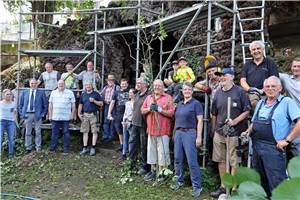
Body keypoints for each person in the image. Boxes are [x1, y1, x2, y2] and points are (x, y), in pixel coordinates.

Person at [244, 76, 300, 197]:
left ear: (280, 88)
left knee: (277, 183)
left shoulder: (287, 102)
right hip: (257, 148)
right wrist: (248, 131)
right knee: (260, 181)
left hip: (275, 149)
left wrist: (287, 140)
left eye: (273, 86)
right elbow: (254, 122)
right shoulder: (260, 103)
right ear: (263, 89)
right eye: (267, 86)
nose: (270, 89)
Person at [210, 68, 251, 198]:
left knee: (234, 161)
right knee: (220, 160)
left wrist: (234, 121)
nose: (221, 78)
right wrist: (214, 129)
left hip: (234, 132)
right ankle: (223, 186)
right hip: (220, 132)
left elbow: (247, 111)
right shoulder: (217, 93)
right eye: (220, 76)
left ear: (232, 77)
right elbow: (214, 114)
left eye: (224, 75)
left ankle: (233, 188)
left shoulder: (239, 92)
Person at [171, 83, 203, 198]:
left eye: (189, 89)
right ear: (182, 91)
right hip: (179, 133)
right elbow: (176, 120)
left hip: (190, 133)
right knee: (177, 159)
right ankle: (179, 181)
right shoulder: (179, 104)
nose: (187, 91)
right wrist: (174, 134)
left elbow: (200, 121)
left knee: (191, 161)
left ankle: (197, 186)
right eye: (185, 89)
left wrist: (199, 137)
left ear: (192, 91)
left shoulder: (196, 104)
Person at [141, 79, 175, 182]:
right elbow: (142, 110)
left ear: (163, 87)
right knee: (151, 151)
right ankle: (153, 171)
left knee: (162, 153)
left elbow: (172, 113)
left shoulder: (168, 98)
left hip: (163, 130)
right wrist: (149, 109)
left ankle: (162, 173)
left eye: (159, 86)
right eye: (155, 85)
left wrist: (160, 110)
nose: (157, 87)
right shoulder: (149, 97)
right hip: (151, 130)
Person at [240, 40, 279, 109]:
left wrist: (264, 90)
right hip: (251, 93)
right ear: (251, 52)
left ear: (263, 49)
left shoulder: (270, 63)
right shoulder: (247, 65)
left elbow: (274, 79)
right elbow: (242, 80)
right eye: (253, 49)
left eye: (258, 48)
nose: (256, 51)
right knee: (252, 101)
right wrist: (250, 89)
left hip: (267, 92)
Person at [129, 77, 151, 174]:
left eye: (139, 83)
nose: (137, 84)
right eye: (137, 82)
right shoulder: (137, 94)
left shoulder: (149, 95)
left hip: (143, 125)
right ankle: (131, 163)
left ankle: (144, 166)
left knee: (143, 146)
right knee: (133, 144)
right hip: (134, 124)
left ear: (145, 85)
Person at [19, 79, 48, 153]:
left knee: (38, 132)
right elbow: (21, 104)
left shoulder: (41, 93)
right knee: (28, 132)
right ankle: (28, 147)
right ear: (29, 84)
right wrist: (22, 113)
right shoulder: (25, 92)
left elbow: (45, 105)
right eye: (32, 83)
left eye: (35, 83)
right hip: (27, 115)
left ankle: (38, 147)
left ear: (37, 84)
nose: (33, 85)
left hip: (37, 115)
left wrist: (43, 114)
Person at [48, 80, 76, 155]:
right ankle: (52, 149)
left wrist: (72, 114)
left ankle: (66, 150)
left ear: (65, 84)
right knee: (54, 133)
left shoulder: (70, 92)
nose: (61, 85)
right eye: (59, 84)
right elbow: (50, 105)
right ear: (57, 85)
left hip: (66, 117)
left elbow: (73, 105)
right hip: (55, 117)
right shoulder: (53, 93)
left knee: (66, 133)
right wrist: (50, 115)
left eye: (62, 84)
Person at [279, 58, 300, 156]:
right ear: (291, 68)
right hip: (294, 117)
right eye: (294, 66)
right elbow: (272, 71)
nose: (296, 68)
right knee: (294, 144)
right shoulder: (286, 78)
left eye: (299, 66)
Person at [78, 82, 103, 156]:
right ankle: (85, 148)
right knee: (85, 132)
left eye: (89, 85)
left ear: (92, 86)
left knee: (94, 132)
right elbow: (80, 104)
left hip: (93, 115)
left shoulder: (96, 94)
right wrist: (79, 113)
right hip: (85, 115)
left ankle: (93, 148)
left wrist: (94, 101)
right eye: (86, 85)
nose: (88, 86)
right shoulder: (83, 94)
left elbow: (101, 104)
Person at [107, 79, 129, 152]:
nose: (124, 85)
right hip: (118, 114)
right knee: (119, 130)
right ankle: (122, 144)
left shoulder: (131, 92)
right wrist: (109, 113)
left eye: (125, 84)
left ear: (127, 85)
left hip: (128, 114)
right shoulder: (116, 93)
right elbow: (112, 103)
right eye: (122, 84)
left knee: (128, 130)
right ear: (120, 85)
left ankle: (127, 146)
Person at [100, 74, 120, 142]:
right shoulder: (105, 87)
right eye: (109, 80)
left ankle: (111, 136)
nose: (110, 81)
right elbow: (100, 94)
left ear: (114, 80)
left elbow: (119, 96)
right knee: (106, 121)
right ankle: (106, 135)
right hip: (106, 105)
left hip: (114, 106)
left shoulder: (117, 87)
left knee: (112, 121)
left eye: (111, 80)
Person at [0, 89, 17, 159]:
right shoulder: (0, 103)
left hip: (11, 122)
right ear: (4, 95)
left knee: (11, 138)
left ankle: (10, 154)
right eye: (7, 94)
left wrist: (16, 122)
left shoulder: (13, 103)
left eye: (10, 94)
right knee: (0, 138)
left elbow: (14, 113)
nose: (9, 95)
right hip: (2, 121)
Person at [120, 88, 136, 161]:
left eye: (131, 93)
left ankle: (130, 155)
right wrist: (123, 121)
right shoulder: (127, 103)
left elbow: (134, 114)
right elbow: (125, 113)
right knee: (125, 138)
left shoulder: (136, 103)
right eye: (129, 93)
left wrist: (130, 121)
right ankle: (123, 154)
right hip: (125, 122)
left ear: (134, 94)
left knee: (131, 140)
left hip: (131, 123)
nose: (130, 94)